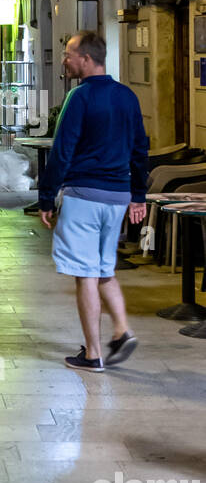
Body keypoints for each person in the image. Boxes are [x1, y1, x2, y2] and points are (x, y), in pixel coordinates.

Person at [38, 31, 149, 371]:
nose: (64, 59)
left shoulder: (79, 97)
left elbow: (62, 151)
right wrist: (138, 195)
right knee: (103, 269)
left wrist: (46, 197)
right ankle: (122, 328)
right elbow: (139, 149)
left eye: (69, 54)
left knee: (84, 274)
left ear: (86, 59)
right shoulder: (127, 96)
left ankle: (94, 354)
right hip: (117, 197)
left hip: (84, 195)